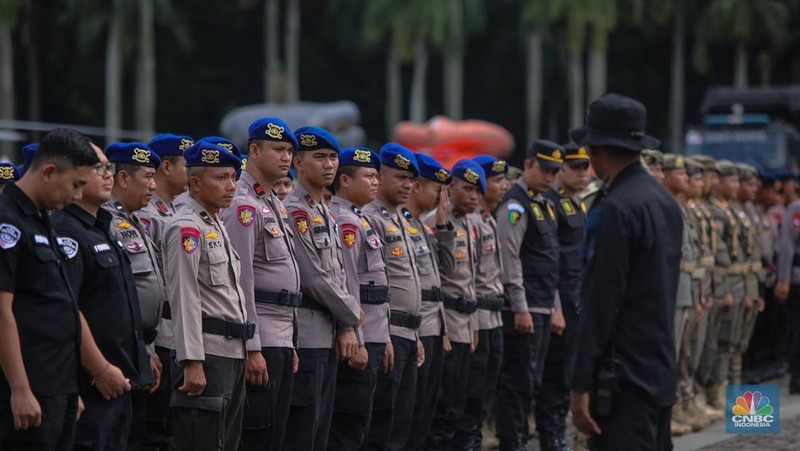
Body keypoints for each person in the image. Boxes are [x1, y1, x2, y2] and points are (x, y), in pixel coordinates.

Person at [0, 128, 130, 451]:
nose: (76, 196)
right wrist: (20, 389)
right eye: (75, 185)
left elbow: (62, 306)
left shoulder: (43, 220)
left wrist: (70, 390)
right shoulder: (8, 222)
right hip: (29, 391)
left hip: (59, 389)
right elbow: (2, 313)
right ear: (48, 172)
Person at [567, 94, 682, 451]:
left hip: (621, 379)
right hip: (659, 370)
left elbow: (601, 299)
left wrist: (580, 381)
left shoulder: (615, 208)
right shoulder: (665, 202)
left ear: (594, 149)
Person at [53, 143, 154, 450]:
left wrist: (142, 356)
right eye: (98, 168)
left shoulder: (102, 227)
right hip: (91, 381)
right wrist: (99, 369)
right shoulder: (66, 231)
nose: (108, 175)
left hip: (120, 380)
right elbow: (68, 308)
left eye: (108, 167)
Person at [162, 141, 253, 451]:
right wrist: (192, 360)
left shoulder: (213, 222)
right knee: (203, 440)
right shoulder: (186, 227)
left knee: (227, 442)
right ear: (196, 183)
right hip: (207, 354)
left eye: (233, 177)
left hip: (231, 351)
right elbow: (184, 296)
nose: (231, 186)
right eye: (221, 178)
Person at [220, 117, 301, 451]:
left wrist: (292, 341)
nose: (286, 158)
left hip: (281, 336)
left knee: (276, 436)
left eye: (289, 151)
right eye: (278, 150)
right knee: (258, 436)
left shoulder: (272, 203)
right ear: (253, 151)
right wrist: (252, 346)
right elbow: (241, 280)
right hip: (261, 337)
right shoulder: (243, 204)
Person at [283, 126, 363, 451]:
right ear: (298, 163)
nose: (329, 164)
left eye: (332, 157)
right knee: (303, 431)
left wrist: (345, 326)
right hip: (307, 334)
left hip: (329, 331)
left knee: (320, 432)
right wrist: (353, 314)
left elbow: (339, 272)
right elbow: (313, 277)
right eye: (319, 157)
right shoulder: (295, 211)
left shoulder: (323, 211)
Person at [495, 139, 562, 451]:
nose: (550, 177)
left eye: (555, 172)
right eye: (544, 169)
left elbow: (550, 260)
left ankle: (520, 438)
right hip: (523, 308)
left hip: (542, 304)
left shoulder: (544, 204)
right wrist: (520, 307)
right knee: (517, 382)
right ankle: (513, 442)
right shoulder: (515, 206)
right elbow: (510, 260)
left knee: (532, 380)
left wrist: (555, 305)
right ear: (528, 164)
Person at [361, 143, 424, 450]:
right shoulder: (370, 217)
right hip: (388, 332)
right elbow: (372, 281)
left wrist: (417, 334)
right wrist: (384, 334)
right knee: (381, 424)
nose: (407, 185)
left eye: (410, 179)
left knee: (403, 421)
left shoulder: (402, 219)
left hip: (409, 331)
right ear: (380, 176)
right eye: (400, 177)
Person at [327, 146, 388, 450]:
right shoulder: (345, 221)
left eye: (376, 176)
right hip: (360, 335)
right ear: (345, 180)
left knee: (366, 422)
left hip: (375, 330)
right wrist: (358, 338)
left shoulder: (359, 218)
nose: (375, 182)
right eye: (368, 176)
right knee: (349, 426)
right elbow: (348, 282)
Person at [136, 133, 193, 450]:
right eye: (187, 164)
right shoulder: (147, 215)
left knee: (169, 427)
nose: (193, 171)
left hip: (174, 333)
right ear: (167, 167)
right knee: (154, 428)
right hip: (160, 333)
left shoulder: (170, 212)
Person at [424, 159, 485, 451]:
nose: (473, 196)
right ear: (450, 188)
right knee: (443, 405)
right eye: (467, 189)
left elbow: (470, 281)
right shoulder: (433, 222)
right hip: (446, 322)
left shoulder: (471, 223)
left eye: (477, 191)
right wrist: (444, 332)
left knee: (460, 402)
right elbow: (436, 280)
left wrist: (474, 325)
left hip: (465, 323)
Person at [536, 143, 590, 450]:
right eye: (576, 168)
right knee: (555, 371)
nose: (583, 174)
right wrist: (555, 303)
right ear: (562, 171)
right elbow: (551, 259)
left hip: (577, 296)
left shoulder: (577, 204)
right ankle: (551, 434)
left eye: (585, 168)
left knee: (567, 368)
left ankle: (558, 430)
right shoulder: (551, 204)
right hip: (560, 299)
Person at [453, 155, 508, 451]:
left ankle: (474, 439)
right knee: (471, 392)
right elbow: (467, 278)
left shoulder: (488, 219)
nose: (504, 186)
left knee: (486, 389)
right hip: (477, 316)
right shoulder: (471, 222)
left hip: (493, 314)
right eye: (497, 181)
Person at [403, 153, 452, 451]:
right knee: (410, 412)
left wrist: (443, 224)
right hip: (415, 328)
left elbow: (447, 270)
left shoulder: (422, 226)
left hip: (434, 326)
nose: (441, 197)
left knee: (426, 411)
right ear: (418, 186)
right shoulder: (401, 224)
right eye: (437, 189)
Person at [660, 154, 700, 436]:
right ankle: (667, 413)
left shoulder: (680, 206)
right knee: (670, 355)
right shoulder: (665, 205)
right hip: (671, 289)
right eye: (681, 174)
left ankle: (678, 406)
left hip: (685, 289)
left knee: (685, 353)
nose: (686, 179)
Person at [701, 160, 746, 408]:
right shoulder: (714, 211)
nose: (736, 185)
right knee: (715, 341)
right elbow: (718, 254)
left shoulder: (731, 210)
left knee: (733, 341)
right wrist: (724, 288)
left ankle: (731, 389)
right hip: (718, 282)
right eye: (733, 180)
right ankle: (714, 391)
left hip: (735, 281)